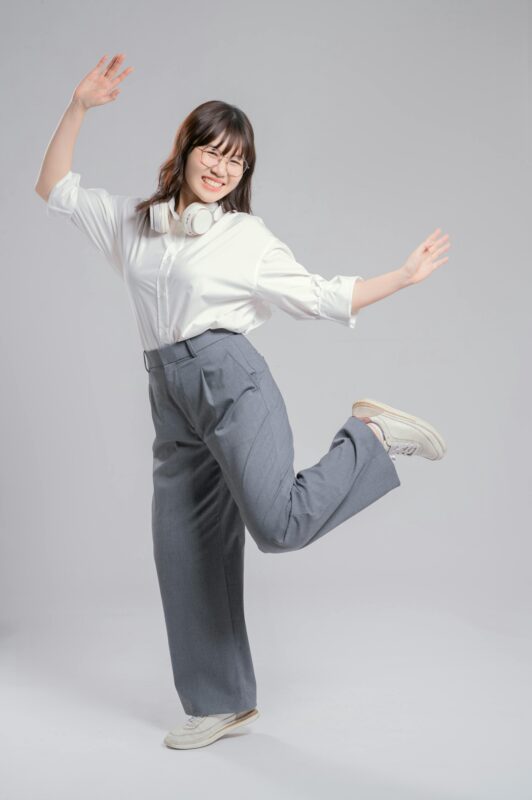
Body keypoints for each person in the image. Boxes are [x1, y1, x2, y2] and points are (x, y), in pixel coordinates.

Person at [35, 54, 451, 751]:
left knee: (278, 524)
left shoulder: (245, 239)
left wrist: (402, 278)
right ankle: (221, 701)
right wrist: (78, 106)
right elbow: (53, 187)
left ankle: (372, 437)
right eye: (213, 151)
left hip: (230, 384)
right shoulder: (136, 228)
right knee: (182, 549)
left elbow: (321, 296)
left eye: (238, 161)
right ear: (187, 150)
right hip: (170, 399)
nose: (223, 169)